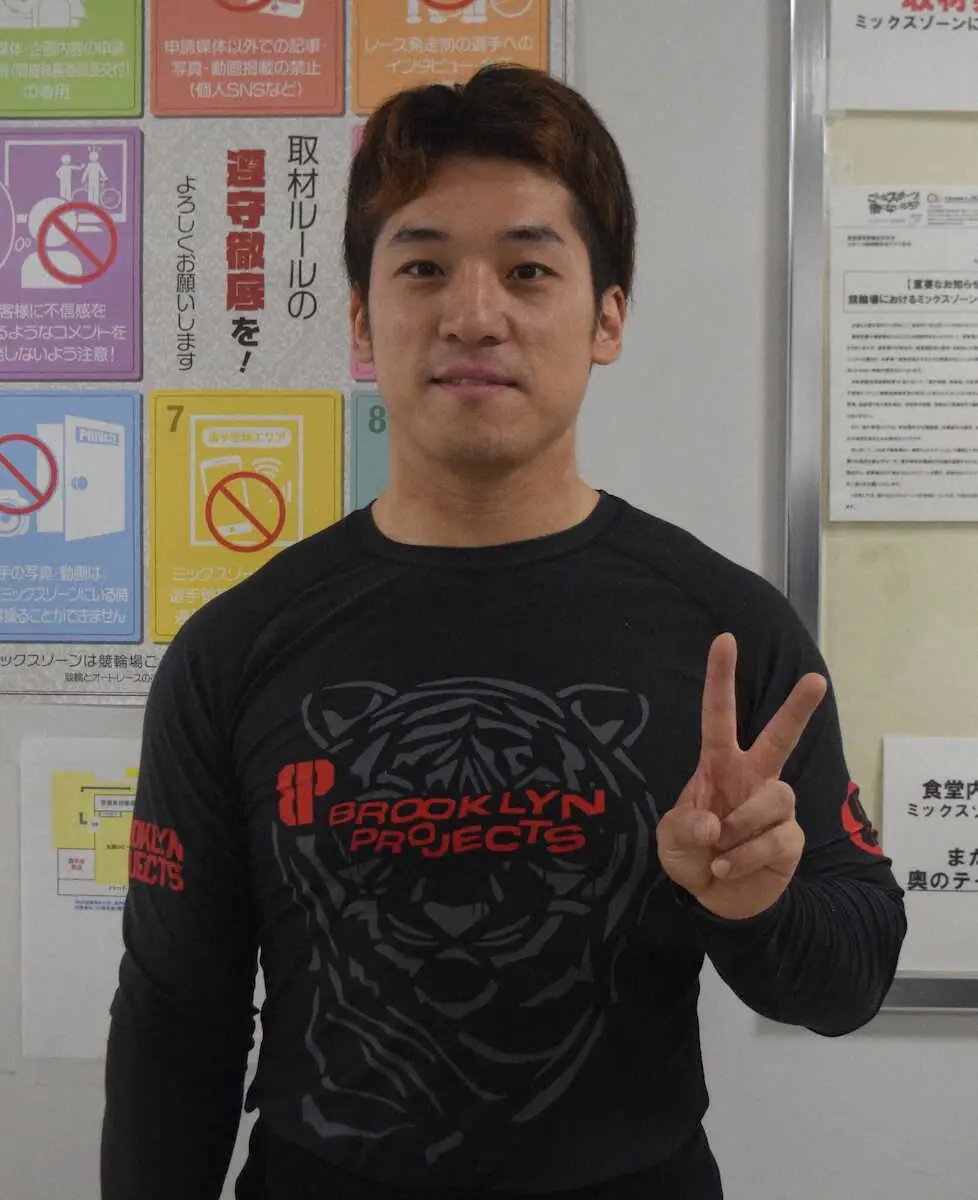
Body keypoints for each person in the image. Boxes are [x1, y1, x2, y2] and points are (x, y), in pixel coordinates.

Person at [100, 65, 907, 1200]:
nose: (474, 314)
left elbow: (851, 979)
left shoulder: (727, 634)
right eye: (423, 266)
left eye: (529, 269)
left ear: (607, 316)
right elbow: (177, 1013)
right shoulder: (236, 649)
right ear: (361, 319)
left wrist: (754, 903)